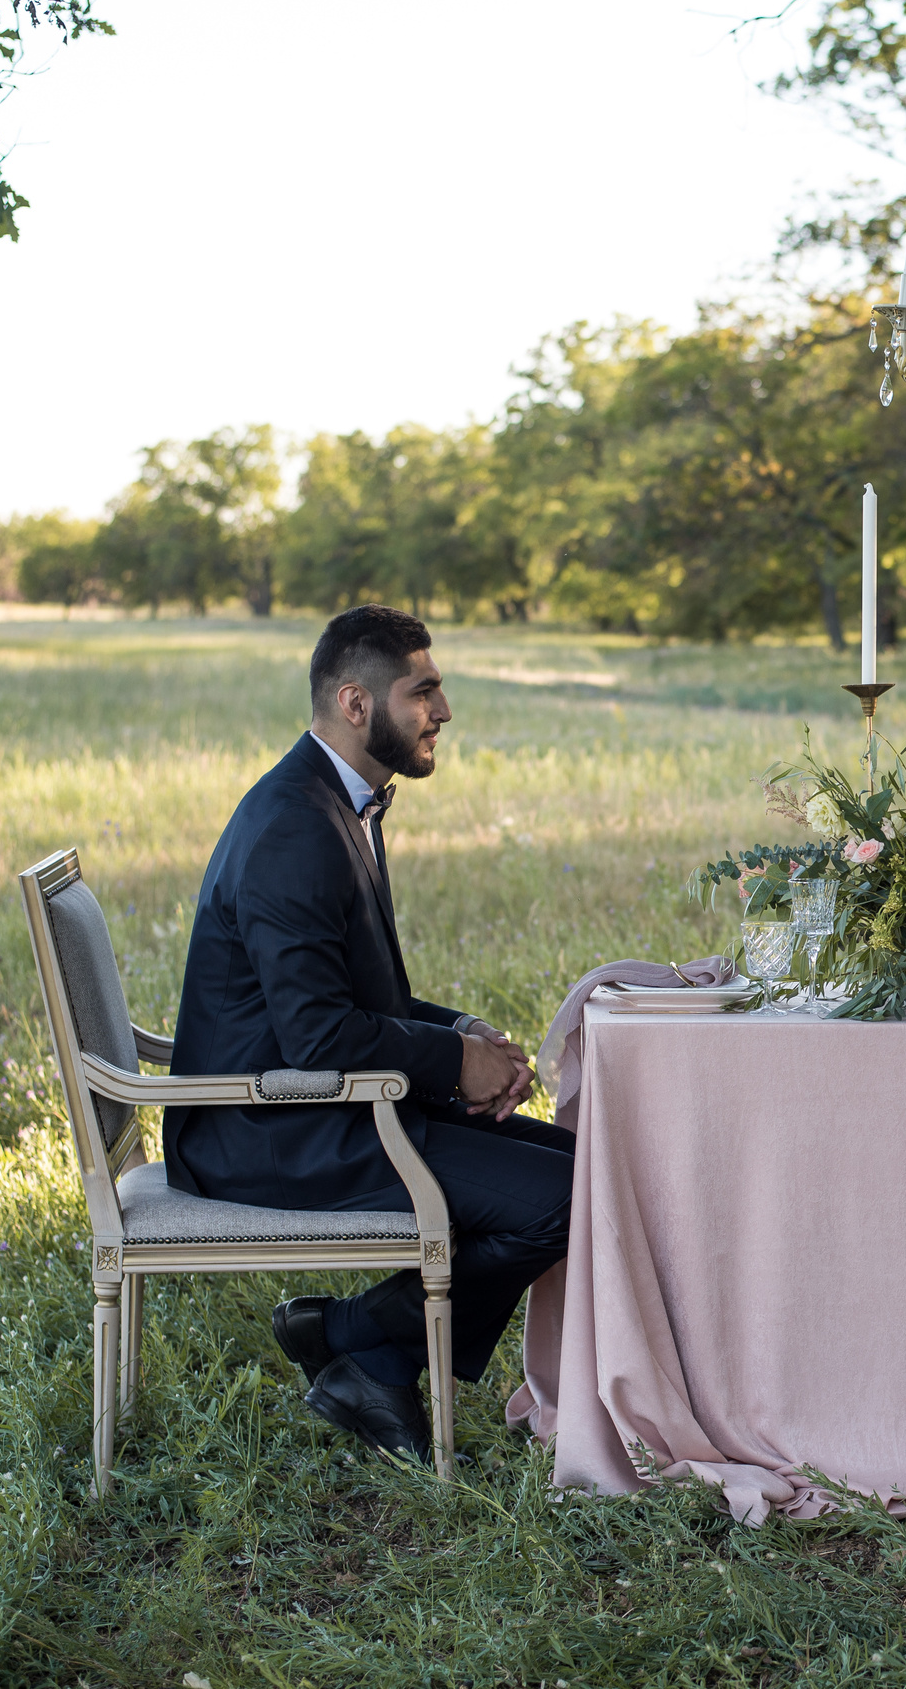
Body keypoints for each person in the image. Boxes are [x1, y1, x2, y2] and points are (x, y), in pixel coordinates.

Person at [165, 604, 574, 1462]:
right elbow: (318, 1033)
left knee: (583, 1171)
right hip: (270, 1128)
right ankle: (361, 1341)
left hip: (330, 1104)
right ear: (356, 704)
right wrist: (451, 1063)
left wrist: (462, 1034)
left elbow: (358, 1000)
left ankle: (363, 1348)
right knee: (569, 1201)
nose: (444, 710)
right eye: (423, 690)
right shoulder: (292, 827)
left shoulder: (336, 800)